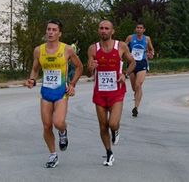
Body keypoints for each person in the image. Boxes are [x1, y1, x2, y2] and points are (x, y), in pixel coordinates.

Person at [26, 19, 83, 169]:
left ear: (59, 33)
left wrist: (72, 84)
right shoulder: (39, 50)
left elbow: (79, 67)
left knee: (58, 122)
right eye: (48, 29)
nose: (50, 32)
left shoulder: (67, 49)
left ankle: (63, 132)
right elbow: (35, 69)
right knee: (46, 126)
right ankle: (53, 155)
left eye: (54, 30)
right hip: (46, 92)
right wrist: (32, 79)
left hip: (61, 92)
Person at [87, 20, 136, 166]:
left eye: (106, 28)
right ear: (98, 31)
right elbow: (89, 74)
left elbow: (132, 62)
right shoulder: (93, 49)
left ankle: (115, 130)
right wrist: (91, 67)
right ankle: (109, 153)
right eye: (101, 28)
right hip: (100, 92)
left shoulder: (120, 46)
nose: (103, 31)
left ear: (112, 31)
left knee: (113, 123)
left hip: (116, 91)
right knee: (103, 126)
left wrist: (125, 74)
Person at [125, 22, 154, 117]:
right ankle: (137, 95)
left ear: (144, 30)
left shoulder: (147, 39)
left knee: (138, 84)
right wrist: (126, 54)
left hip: (142, 63)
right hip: (131, 64)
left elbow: (151, 49)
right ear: (135, 29)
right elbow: (123, 48)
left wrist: (151, 54)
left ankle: (136, 108)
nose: (139, 29)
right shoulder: (130, 38)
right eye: (137, 27)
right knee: (134, 88)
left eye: (141, 28)